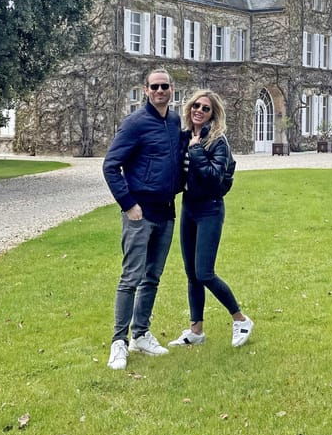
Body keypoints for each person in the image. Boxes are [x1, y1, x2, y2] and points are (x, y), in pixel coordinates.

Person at [103, 69, 182, 371]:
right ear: (146, 90)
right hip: (140, 212)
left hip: (166, 211)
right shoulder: (135, 124)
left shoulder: (174, 121)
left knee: (152, 277)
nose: (160, 91)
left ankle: (141, 334)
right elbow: (111, 166)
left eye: (164, 86)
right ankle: (118, 342)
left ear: (171, 90)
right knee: (130, 278)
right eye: (155, 87)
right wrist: (128, 204)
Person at [168, 89, 253, 349]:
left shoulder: (218, 141)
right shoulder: (185, 136)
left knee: (205, 272)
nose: (199, 111)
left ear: (212, 114)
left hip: (210, 210)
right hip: (189, 208)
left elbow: (216, 177)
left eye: (205, 108)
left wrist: (196, 152)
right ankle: (196, 330)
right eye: (196, 105)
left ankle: (241, 319)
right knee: (191, 274)